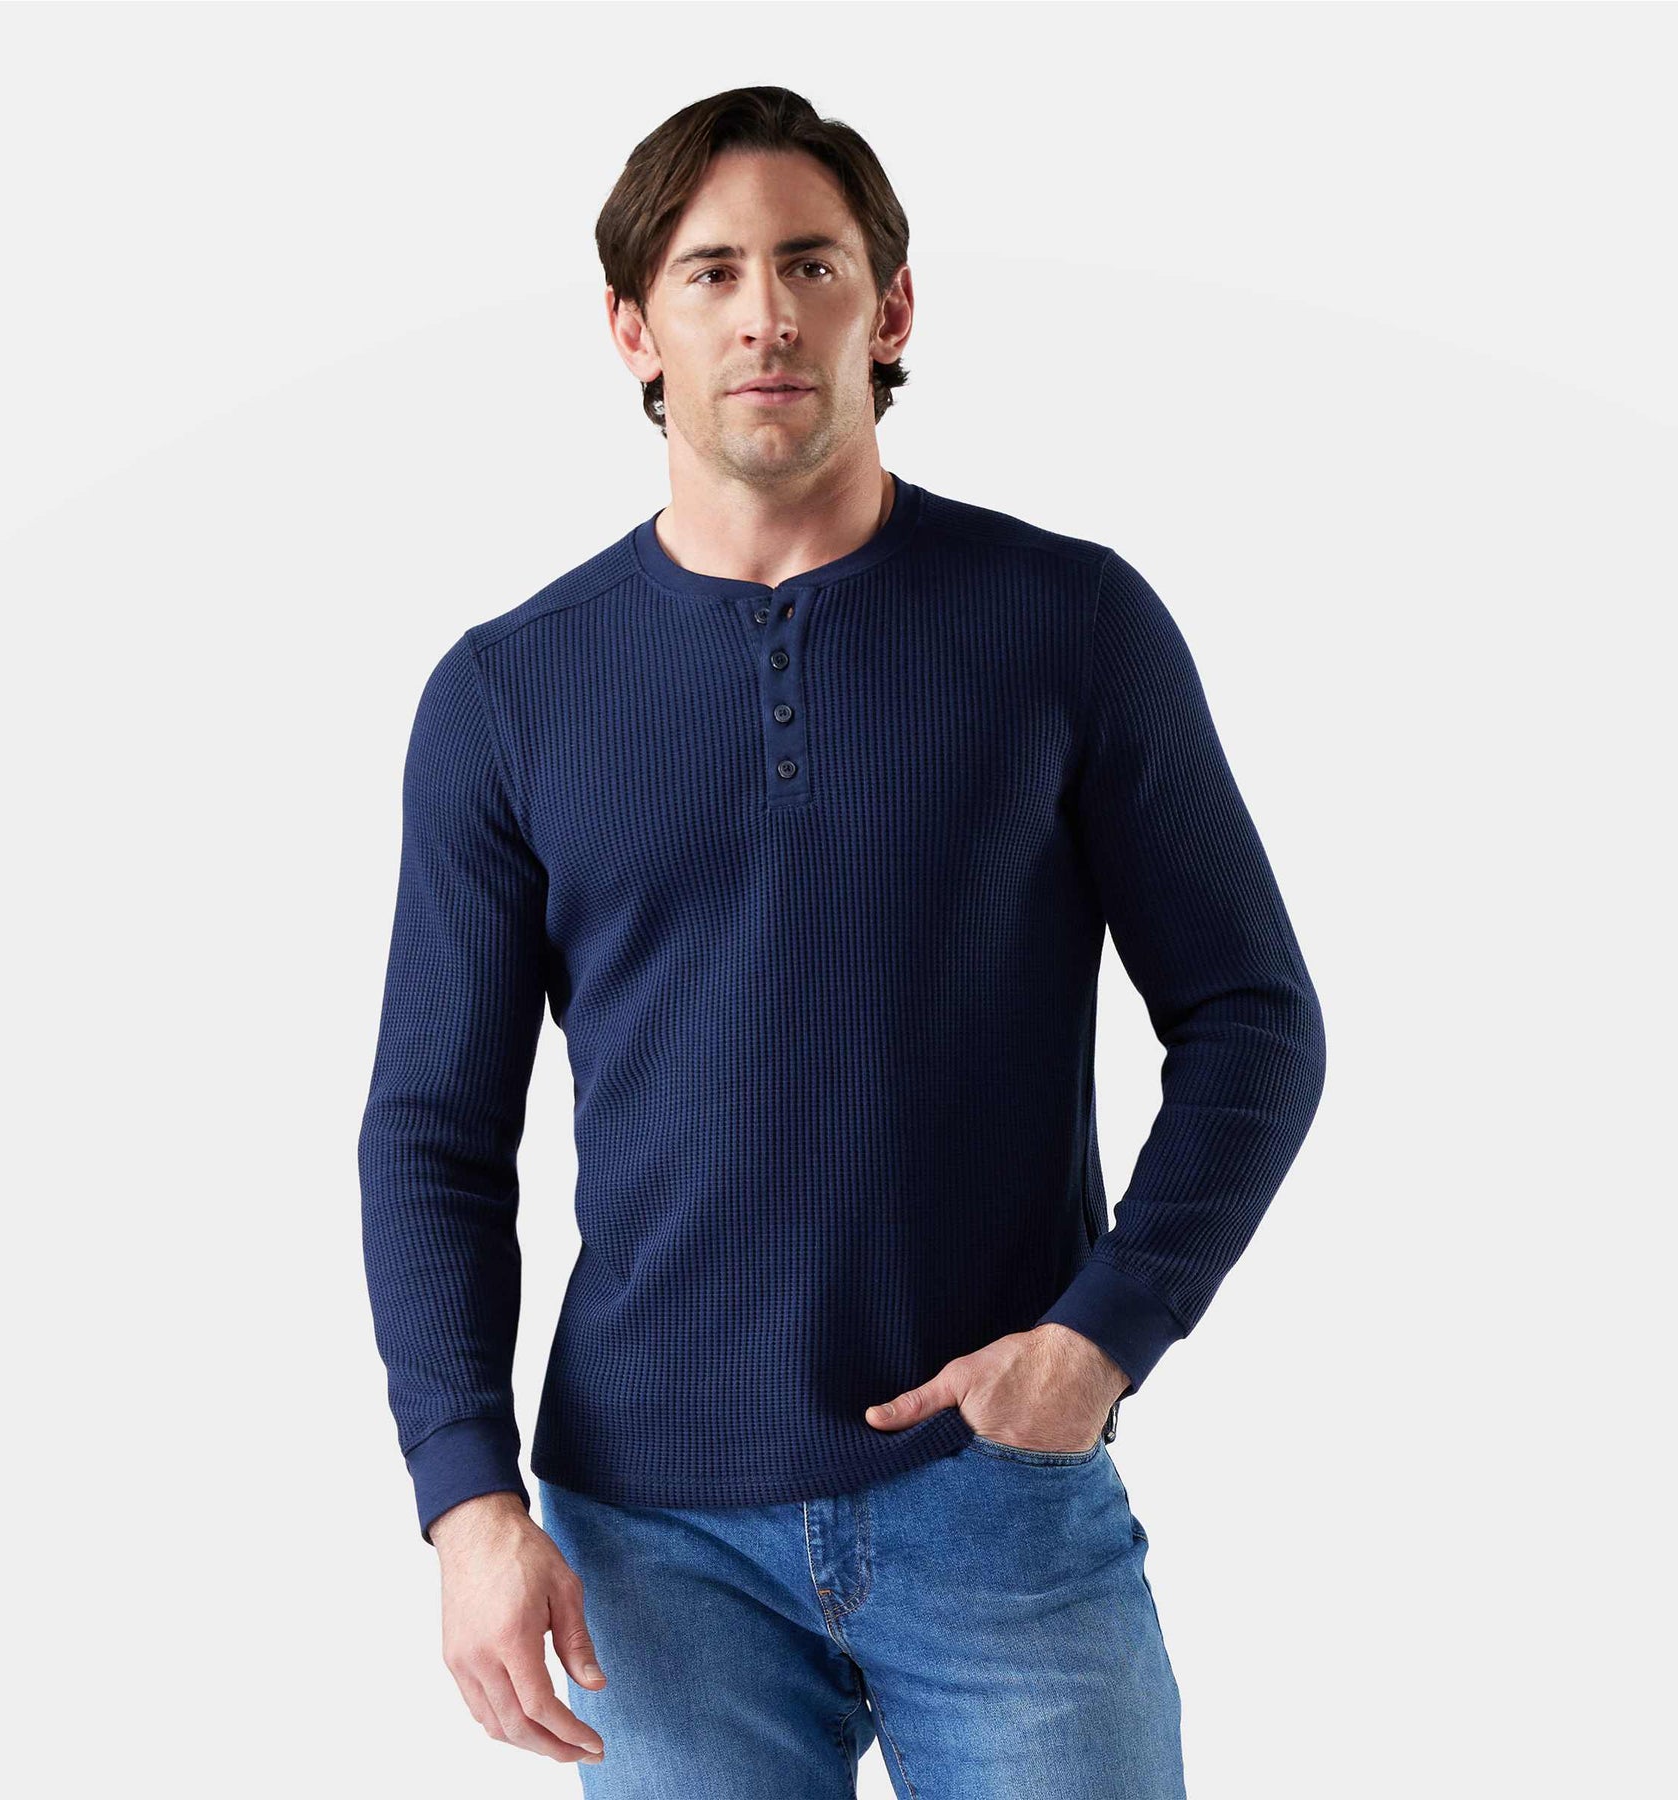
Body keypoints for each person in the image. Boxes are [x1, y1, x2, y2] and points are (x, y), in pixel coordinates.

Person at [358, 85, 1326, 1798]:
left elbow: (1253, 1018)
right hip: (646, 1548)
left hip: (1000, 1494)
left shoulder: (1067, 624)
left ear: (889, 309)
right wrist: (466, 1499)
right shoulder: (508, 695)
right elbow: (434, 1133)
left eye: (811, 264)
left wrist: (1104, 1336)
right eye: (712, 272)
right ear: (632, 329)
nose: (765, 314)